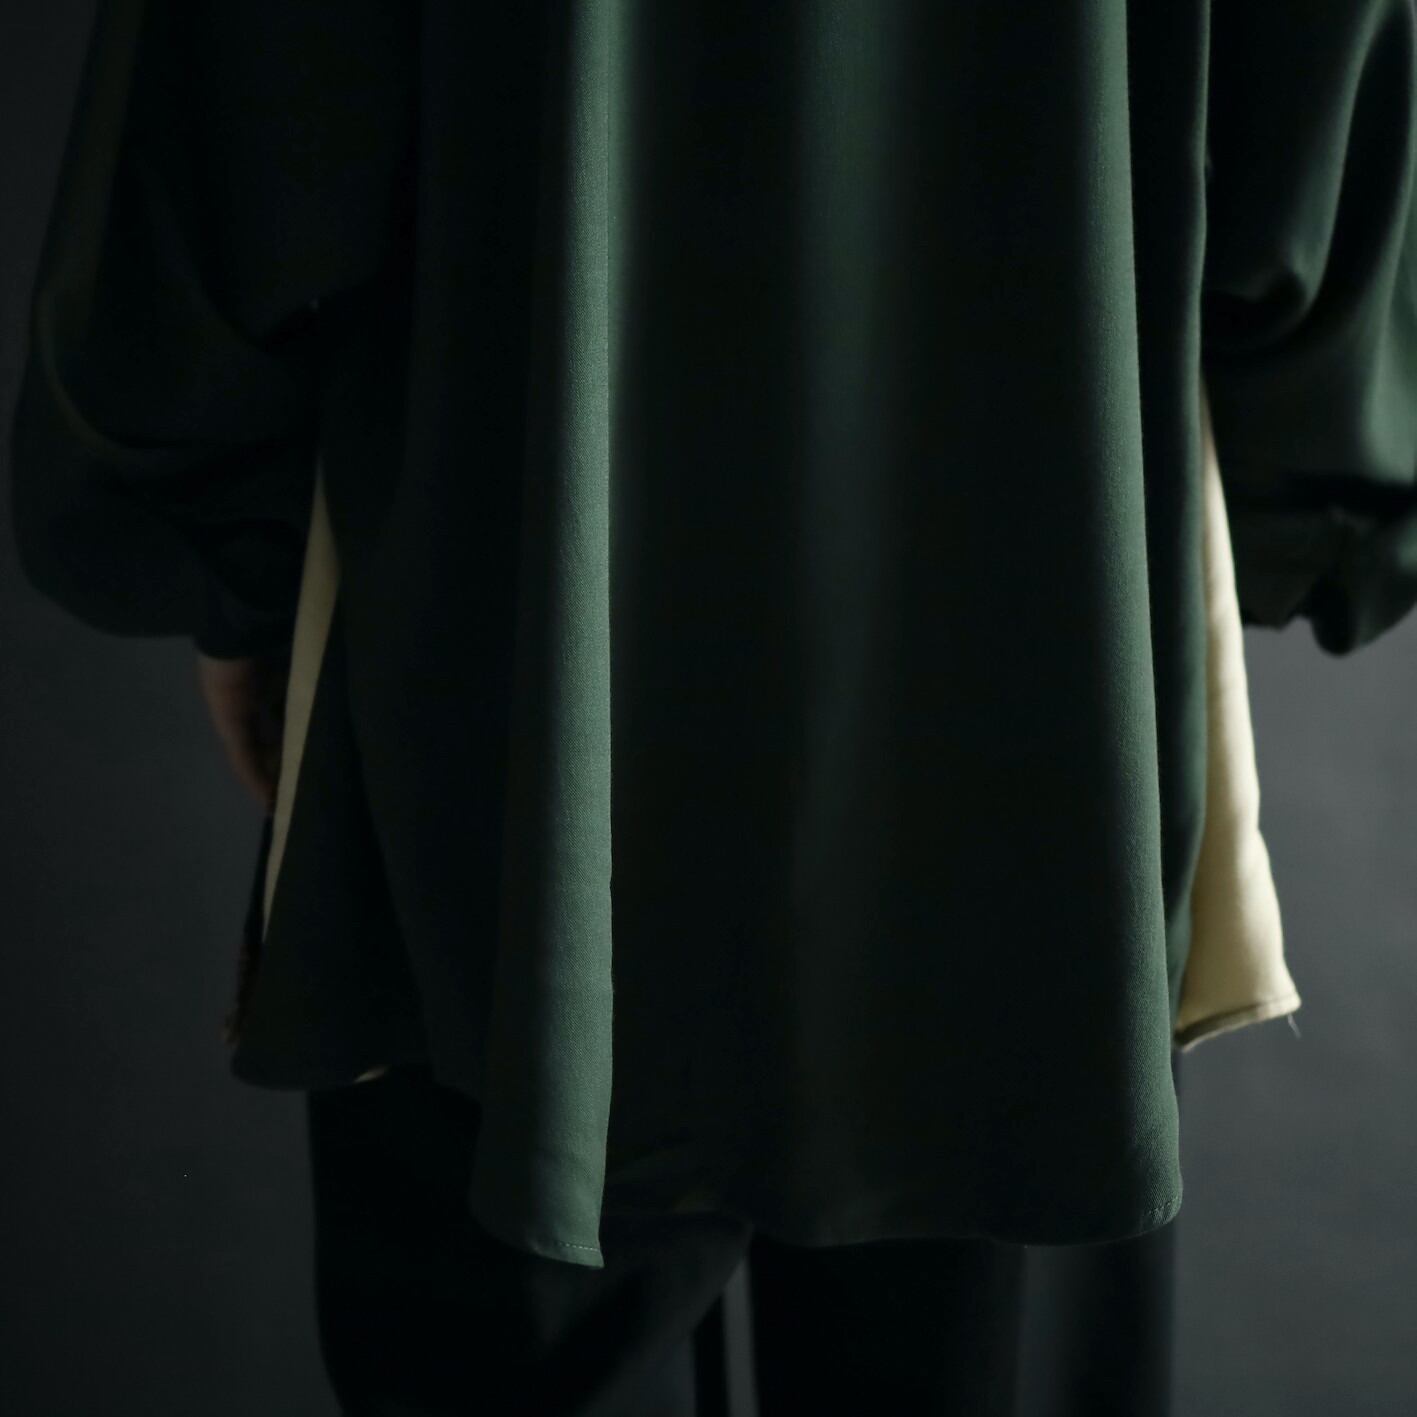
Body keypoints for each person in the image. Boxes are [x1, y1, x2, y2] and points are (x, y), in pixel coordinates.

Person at [10, 2, 1417, 1412]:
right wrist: (1311, 492)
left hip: (493, 673)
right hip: (1030, 696)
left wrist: (219, 551)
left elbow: (236, 95)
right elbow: (1319, 73)